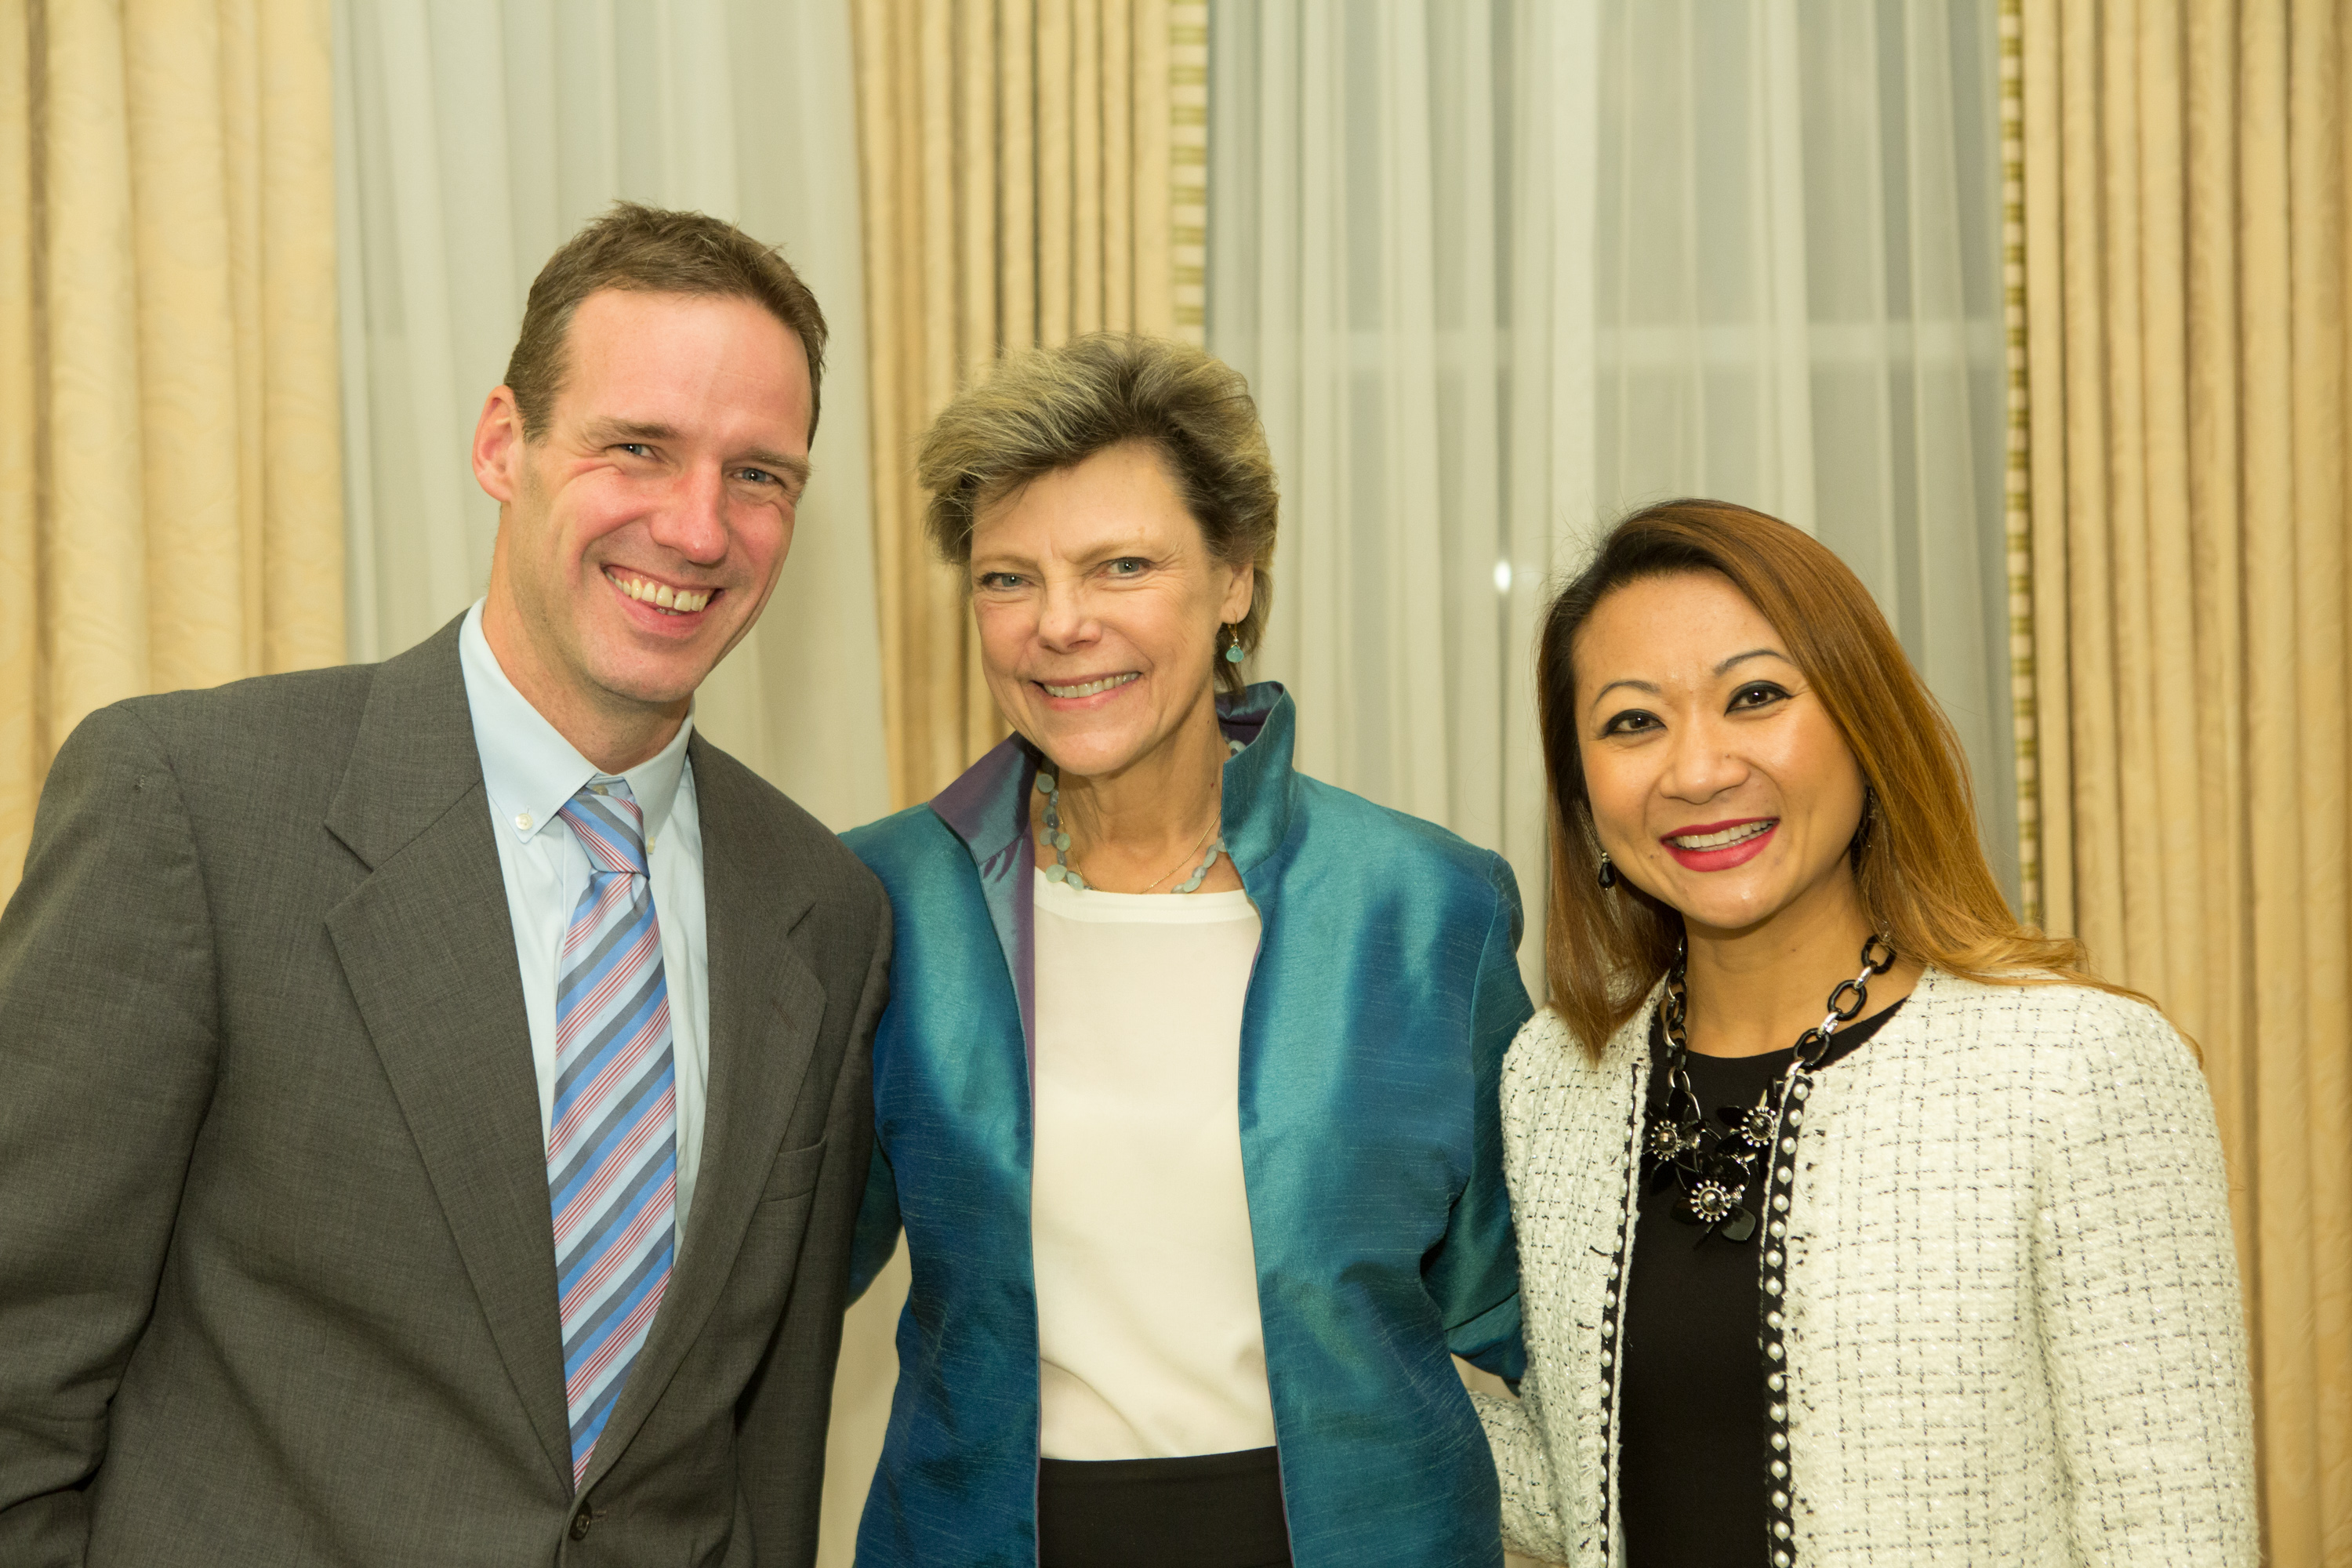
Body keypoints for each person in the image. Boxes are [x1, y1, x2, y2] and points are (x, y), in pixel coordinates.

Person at [0, 204, 890, 1566]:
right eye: (637, 447)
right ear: (502, 444)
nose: (698, 527)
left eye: (758, 475)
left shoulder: (824, 911)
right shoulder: (193, 807)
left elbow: (765, 1444)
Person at [842, 333, 1528, 1568]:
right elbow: (767, 1284)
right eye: (1008, 580)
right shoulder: (885, 901)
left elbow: (1523, 1313)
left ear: (1235, 582)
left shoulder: (1427, 908)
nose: (1061, 625)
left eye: (1122, 565)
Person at [1475, 499, 2257, 1566]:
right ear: (1582, 793)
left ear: (1864, 726)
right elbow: (1580, 1502)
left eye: (1755, 698)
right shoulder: (1557, 1079)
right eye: (1632, 722)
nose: (1697, 770)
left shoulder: (2079, 1068)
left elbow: (2178, 1537)